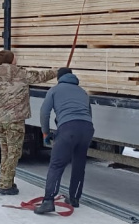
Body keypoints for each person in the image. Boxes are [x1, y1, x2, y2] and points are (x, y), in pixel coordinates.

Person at [0, 50, 58, 195]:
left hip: (0, 120)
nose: (16, 58)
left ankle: (6, 182)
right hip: (15, 121)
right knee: (14, 153)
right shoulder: (21, 74)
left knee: (5, 152)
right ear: (11, 59)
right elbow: (40, 77)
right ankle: (5, 186)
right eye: (14, 56)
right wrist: (56, 71)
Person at [35, 67, 94, 214]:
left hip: (68, 128)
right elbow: (89, 113)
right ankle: (74, 198)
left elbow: (44, 112)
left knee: (57, 164)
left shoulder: (54, 90)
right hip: (87, 128)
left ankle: (48, 200)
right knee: (79, 164)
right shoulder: (83, 92)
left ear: (59, 78)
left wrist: (45, 132)